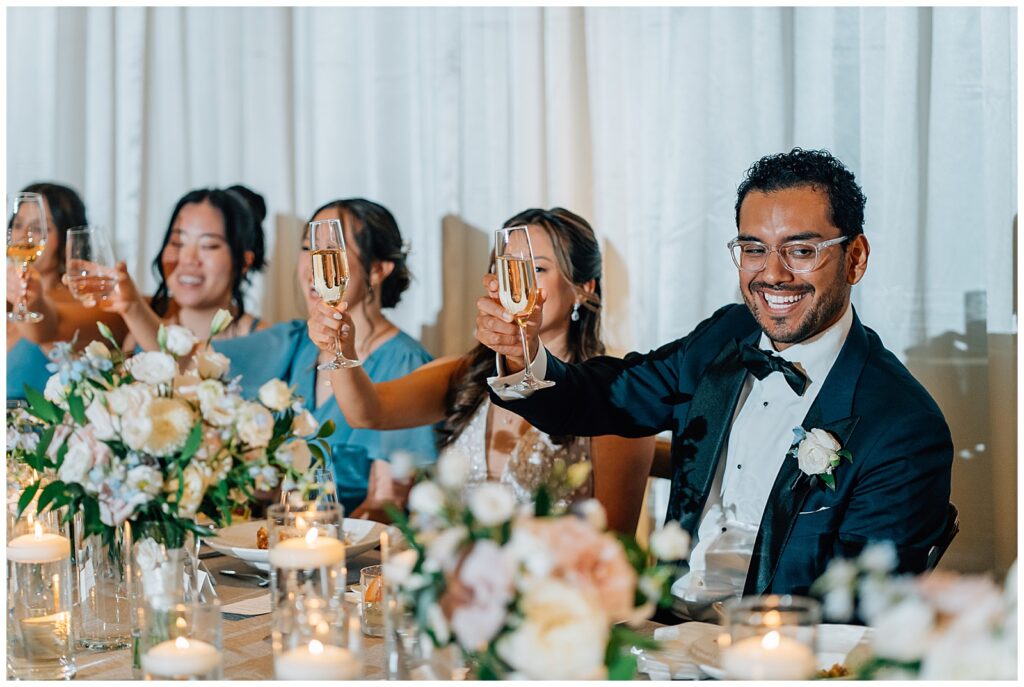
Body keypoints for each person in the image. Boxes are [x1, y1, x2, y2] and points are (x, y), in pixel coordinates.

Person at [474, 149, 953, 614]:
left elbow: (861, 617)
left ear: (855, 258)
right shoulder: (725, 336)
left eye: (801, 250)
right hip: (659, 637)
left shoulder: (902, 425)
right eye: (753, 249)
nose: (773, 274)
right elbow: (609, 395)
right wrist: (526, 356)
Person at [307, 208, 656, 535]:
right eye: (507, 268)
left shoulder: (613, 397)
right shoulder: (466, 374)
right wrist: (343, 348)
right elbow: (367, 412)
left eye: (537, 269)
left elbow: (614, 547)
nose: (517, 283)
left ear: (583, 288)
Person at [214, 198, 438, 516]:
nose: (315, 266)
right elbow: (195, 358)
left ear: (378, 269)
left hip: (353, 554)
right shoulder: (295, 342)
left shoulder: (404, 363)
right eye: (308, 249)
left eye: (334, 250)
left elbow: (387, 505)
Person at [103, 187, 269, 351]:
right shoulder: (137, 338)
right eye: (177, 243)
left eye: (209, 245)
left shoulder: (263, 342)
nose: (188, 259)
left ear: (244, 263)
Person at [7, 182, 127, 399]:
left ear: (66, 237)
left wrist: (32, 298)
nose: (24, 236)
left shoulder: (88, 303)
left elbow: (48, 326)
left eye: (38, 228)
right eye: (18, 225)